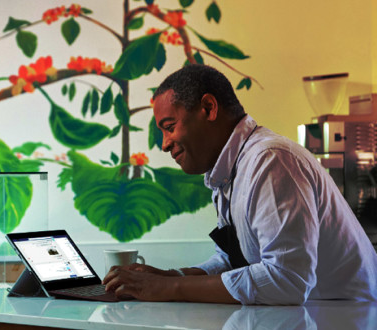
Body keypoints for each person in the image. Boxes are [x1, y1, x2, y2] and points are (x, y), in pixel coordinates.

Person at [103, 64, 377, 305]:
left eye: (169, 126)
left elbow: (286, 280)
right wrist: (172, 276)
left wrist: (168, 288)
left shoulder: (270, 160)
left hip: (346, 318)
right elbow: (231, 261)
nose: (164, 144)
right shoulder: (228, 175)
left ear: (208, 108)